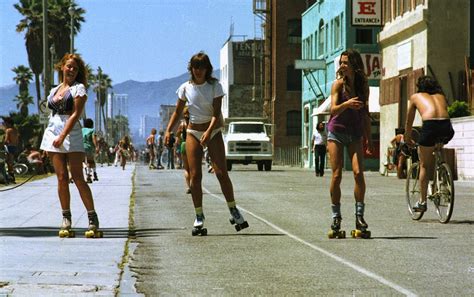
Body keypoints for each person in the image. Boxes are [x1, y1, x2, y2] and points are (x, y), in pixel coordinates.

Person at [164, 51, 249, 234]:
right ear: (191, 69)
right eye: (196, 67)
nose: (199, 71)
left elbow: (216, 114)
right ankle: (199, 214)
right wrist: (168, 130)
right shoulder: (185, 88)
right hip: (193, 132)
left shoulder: (215, 86)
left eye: (202, 67)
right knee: (195, 176)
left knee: (221, 172)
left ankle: (233, 209)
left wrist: (209, 132)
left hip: (213, 130)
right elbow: (177, 113)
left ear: (207, 69)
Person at [39, 53, 101, 238]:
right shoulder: (54, 90)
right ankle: (66, 217)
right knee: (61, 178)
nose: (72, 70)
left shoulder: (79, 89)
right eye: (69, 66)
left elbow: (75, 114)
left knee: (78, 177)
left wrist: (62, 135)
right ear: (62, 68)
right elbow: (52, 116)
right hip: (53, 134)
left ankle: (92, 217)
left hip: (71, 135)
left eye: (75, 67)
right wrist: (47, 142)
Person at [326, 49, 373, 238]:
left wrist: (369, 138)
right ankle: (336, 217)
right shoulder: (338, 85)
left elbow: (366, 114)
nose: (342, 66)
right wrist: (347, 104)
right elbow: (333, 110)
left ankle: (359, 217)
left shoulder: (363, 87)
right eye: (341, 63)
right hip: (336, 132)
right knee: (337, 175)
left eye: (346, 63)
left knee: (358, 173)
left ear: (354, 64)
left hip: (355, 133)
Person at [404, 75, 455, 212]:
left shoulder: (416, 97)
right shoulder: (441, 96)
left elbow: (409, 122)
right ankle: (442, 178)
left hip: (430, 126)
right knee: (438, 146)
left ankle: (422, 202)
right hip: (446, 127)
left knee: (424, 165)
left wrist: (407, 137)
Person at [177, 107, 191, 193]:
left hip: (184, 144)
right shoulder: (194, 122)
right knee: (194, 168)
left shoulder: (182, 124)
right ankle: (194, 185)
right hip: (193, 145)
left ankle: (188, 187)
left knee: (186, 168)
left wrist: (180, 139)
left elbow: (177, 135)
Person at [2, 117, 19, 182]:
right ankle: (11, 177)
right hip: (14, 147)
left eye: (5, 123)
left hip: (9, 147)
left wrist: (3, 143)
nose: (4, 124)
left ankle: (9, 177)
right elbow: (17, 140)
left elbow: (6, 140)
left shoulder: (8, 130)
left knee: (7, 162)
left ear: (8, 123)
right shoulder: (15, 130)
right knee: (10, 162)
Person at [82, 118, 99, 183]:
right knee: (91, 161)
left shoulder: (81, 130)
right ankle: (93, 173)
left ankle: (87, 172)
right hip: (89, 148)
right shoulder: (92, 130)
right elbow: (93, 139)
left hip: (81, 148)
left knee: (83, 161)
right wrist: (96, 147)